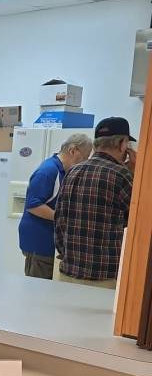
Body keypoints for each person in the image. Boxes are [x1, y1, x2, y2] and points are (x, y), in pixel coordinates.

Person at [54, 117, 137, 288]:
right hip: (104, 277)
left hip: (68, 272)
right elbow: (137, 223)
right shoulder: (122, 176)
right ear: (123, 144)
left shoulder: (73, 171)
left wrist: (67, 255)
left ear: (96, 144)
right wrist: (138, 173)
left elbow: (59, 219)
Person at [18, 133, 93, 279]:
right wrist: (65, 220)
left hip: (48, 242)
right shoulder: (48, 171)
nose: (85, 162)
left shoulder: (62, 171)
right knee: (38, 289)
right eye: (85, 156)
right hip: (39, 241)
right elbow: (33, 205)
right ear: (73, 150)